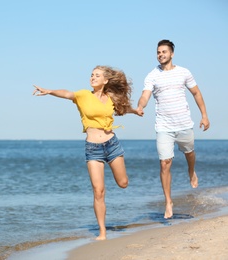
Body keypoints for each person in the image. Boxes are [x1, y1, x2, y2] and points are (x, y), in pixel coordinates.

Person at [33, 65, 139, 240]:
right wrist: (50, 91)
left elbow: (122, 109)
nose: (93, 77)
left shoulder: (111, 97)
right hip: (93, 149)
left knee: (123, 183)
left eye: (97, 75)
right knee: (98, 191)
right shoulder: (83, 95)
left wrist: (135, 111)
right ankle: (102, 231)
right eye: (91, 75)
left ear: (105, 80)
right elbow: (67, 93)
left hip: (112, 144)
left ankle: (122, 177)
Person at [136, 39, 210, 219]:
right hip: (163, 126)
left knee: (189, 153)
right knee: (164, 163)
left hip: (184, 123)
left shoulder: (184, 72)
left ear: (172, 54)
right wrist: (141, 105)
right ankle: (168, 201)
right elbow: (145, 95)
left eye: (164, 52)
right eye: (158, 52)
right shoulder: (152, 75)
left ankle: (191, 171)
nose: (161, 55)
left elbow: (196, 93)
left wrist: (204, 115)